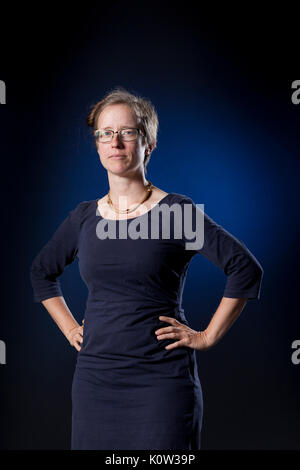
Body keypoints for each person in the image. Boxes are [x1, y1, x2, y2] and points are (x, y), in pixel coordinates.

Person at [30, 87, 264, 450]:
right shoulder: (83, 217)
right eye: (105, 133)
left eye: (128, 132)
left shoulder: (177, 213)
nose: (116, 142)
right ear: (97, 145)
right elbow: (42, 272)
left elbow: (245, 269)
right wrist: (70, 328)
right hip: (95, 381)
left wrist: (207, 336)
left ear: (148, 144)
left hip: (161, 383)